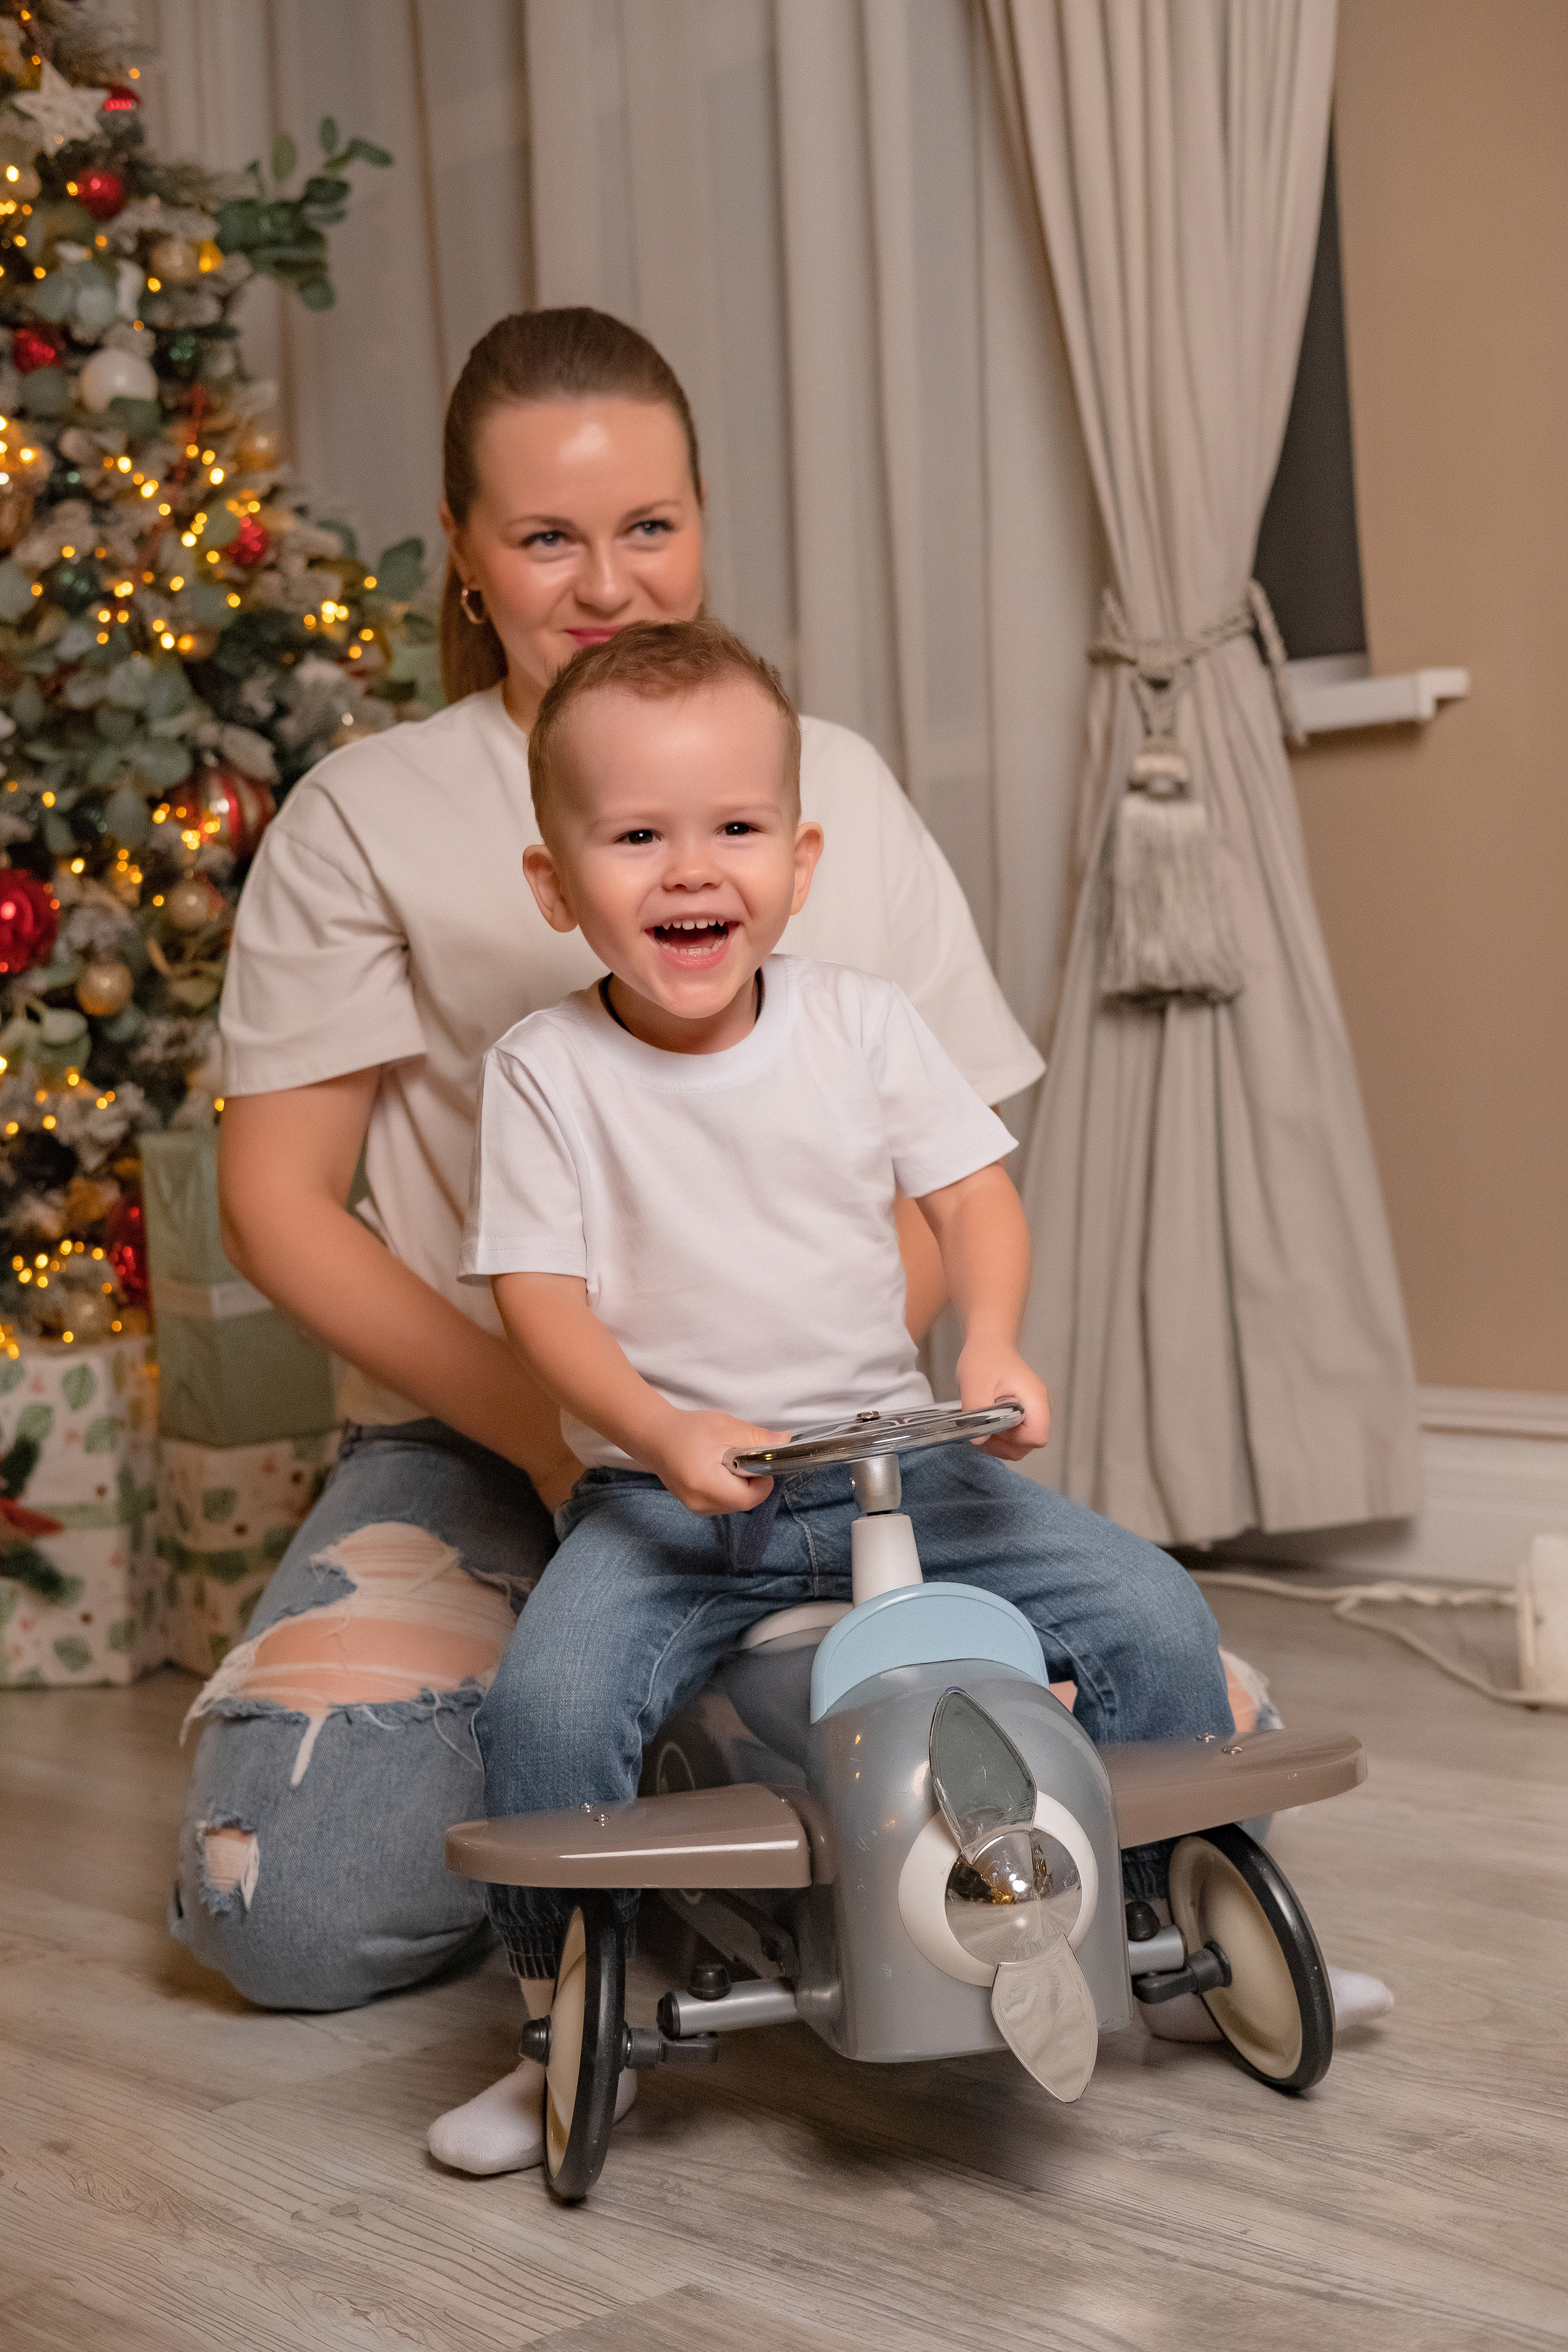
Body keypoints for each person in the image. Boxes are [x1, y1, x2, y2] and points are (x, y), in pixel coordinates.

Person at [170, 309, 1045, 2016]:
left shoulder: (832, 785)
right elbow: (279, 1207)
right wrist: (580, 1443)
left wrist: (793, 1429)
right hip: (483, 1436)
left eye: (649, 526)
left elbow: (942, 1175)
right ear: (468, 559)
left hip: (805, 1446)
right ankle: (637, 1760)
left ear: (704, 522)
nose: (607, 581)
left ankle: (700, 1741)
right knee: (285, 1910)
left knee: (1126, 1737)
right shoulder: (367, 812)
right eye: (546, 537)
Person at [434, 616, 1233, 2179]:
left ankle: (1176, 1929)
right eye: (636, 835)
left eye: (732, 830)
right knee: (544, 1705)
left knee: (1148, 1614)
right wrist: (661, 1431)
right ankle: (552, 2022)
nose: (689, 872)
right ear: (552, 883)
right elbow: (540, 1300)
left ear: (796, 862)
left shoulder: (860, 1021)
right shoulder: (545, 1068)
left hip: (899, 1465)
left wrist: (990, 1342)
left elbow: (974, 1199)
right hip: (672, 1500)